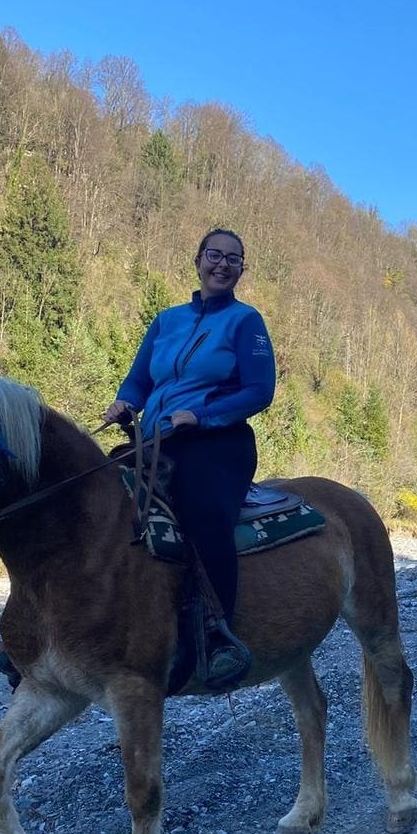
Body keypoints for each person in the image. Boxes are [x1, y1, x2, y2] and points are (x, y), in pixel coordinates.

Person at [102, 228, 276, 688]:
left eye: (233, 259)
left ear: (242, 269)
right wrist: (125, 402)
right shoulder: (167, 320)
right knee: (94, 504)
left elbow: (259, 391)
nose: (223, 264)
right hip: (156, 439)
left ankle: (218, 635)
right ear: (197, 259)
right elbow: (139, 379)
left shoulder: (245, 321)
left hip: (217, 442)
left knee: (203, 513)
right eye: (214, 255)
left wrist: (200, 416)